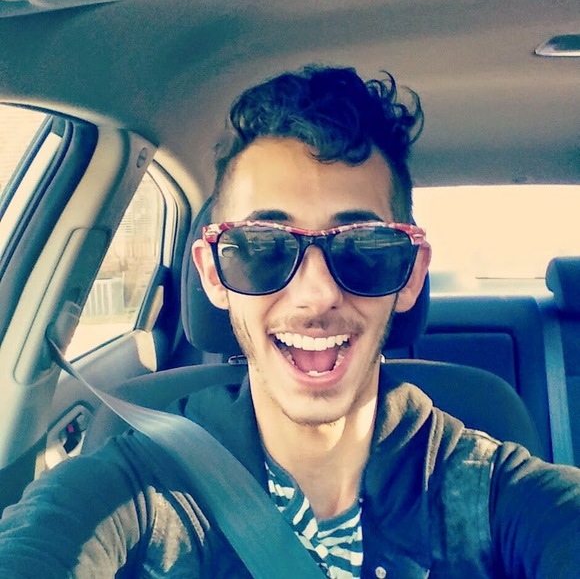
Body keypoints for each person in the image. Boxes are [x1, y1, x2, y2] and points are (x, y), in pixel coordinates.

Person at [0, 65, 579, 577]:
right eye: (263, 247)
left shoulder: (490, 489)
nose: (317, 294)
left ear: (410, 275)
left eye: (363, 247)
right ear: (212, 274)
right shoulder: (140, 489)